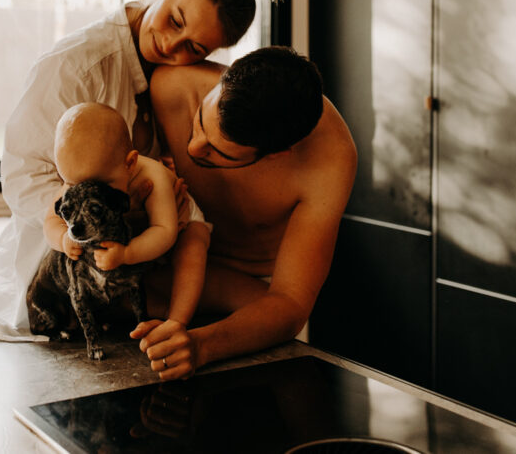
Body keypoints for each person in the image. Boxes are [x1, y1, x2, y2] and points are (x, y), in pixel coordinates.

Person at [0, 0, 289, 341]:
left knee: (262, 302)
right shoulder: (78, 65)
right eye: (175, 21)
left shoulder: (175, 80)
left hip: (149, 239)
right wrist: (99, 210)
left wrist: (169, 181)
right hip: (72, 250)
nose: (172, 46)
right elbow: (22, 177)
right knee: (249, 306)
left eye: (195, 48)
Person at [130, 46, 358, 380]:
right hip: (168, 266)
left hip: (254, 297)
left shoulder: (331, 160)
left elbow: (290, 304)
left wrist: (200, 345)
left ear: (277, 154)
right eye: (199, 124)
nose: (193, 148)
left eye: (217, 153)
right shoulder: (173, 84)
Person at [51, 102, 211, 328]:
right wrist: (62, 238)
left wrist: (127, 254)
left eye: (102, 185)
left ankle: (177, 320)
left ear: (130, 163)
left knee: (193, 247)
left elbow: (165, 231)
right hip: (134, 231)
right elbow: (50, 220)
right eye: (74, 185)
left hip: (180, 223)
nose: (89, 194)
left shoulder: (153, 177)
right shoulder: (78, 179)